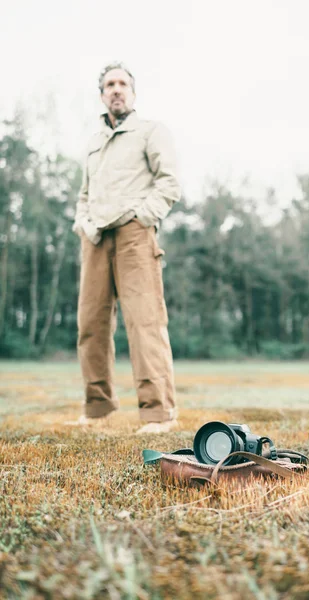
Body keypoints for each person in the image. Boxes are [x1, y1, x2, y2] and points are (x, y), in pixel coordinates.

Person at [72, 61, 180, 434]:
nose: (116, 89)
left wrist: (142, 218)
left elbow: (169, 183)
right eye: (109, 84)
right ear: (101, 94)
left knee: (144, 322)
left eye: (122, 84)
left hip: (134, 236)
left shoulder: (150, 131)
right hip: (96, 239)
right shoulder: (93, 142)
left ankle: (158, 413)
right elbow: (83, 195)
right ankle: (97, 407)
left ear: (132, 92)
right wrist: (82, 224)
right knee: (90, 325)